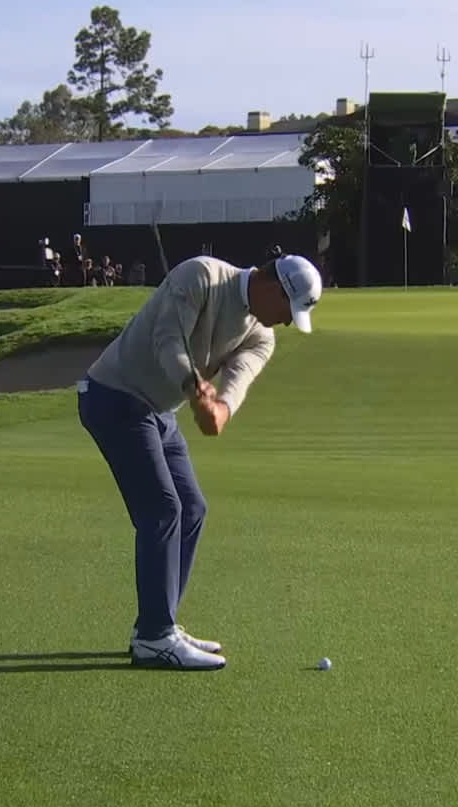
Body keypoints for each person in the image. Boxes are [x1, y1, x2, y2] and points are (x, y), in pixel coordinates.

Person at [78, 254, 324, 670]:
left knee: (192, 508)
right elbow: (166, 341)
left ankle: (159, 625)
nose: (285, 321)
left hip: (159, 411)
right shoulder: (202, 276)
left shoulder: (261, 335)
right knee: (162, 509)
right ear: (272, 287)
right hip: (114, 396)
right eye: (287, 310)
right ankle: (156, 636)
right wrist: (193, 385)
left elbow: (237, 382)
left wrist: (220, 411)